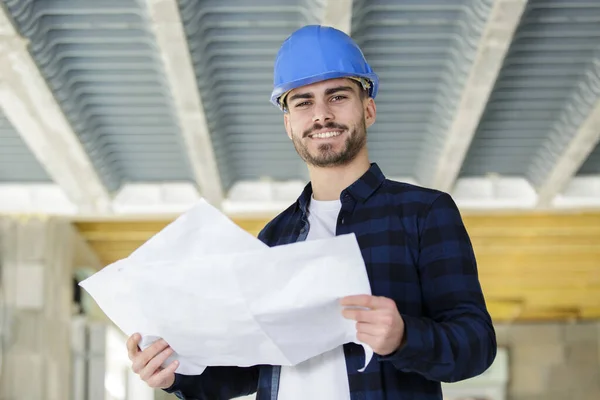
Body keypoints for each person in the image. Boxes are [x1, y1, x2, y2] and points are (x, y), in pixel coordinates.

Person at [126, 25, 497, 399]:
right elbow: (251, 368)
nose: (321, 115)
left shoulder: (423, 213)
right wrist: (173, 373)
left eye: (337, 96)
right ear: (289, 124)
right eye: (303, 102)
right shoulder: (275, 236)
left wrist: (404, 336)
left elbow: (476, 345)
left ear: (368, 109)